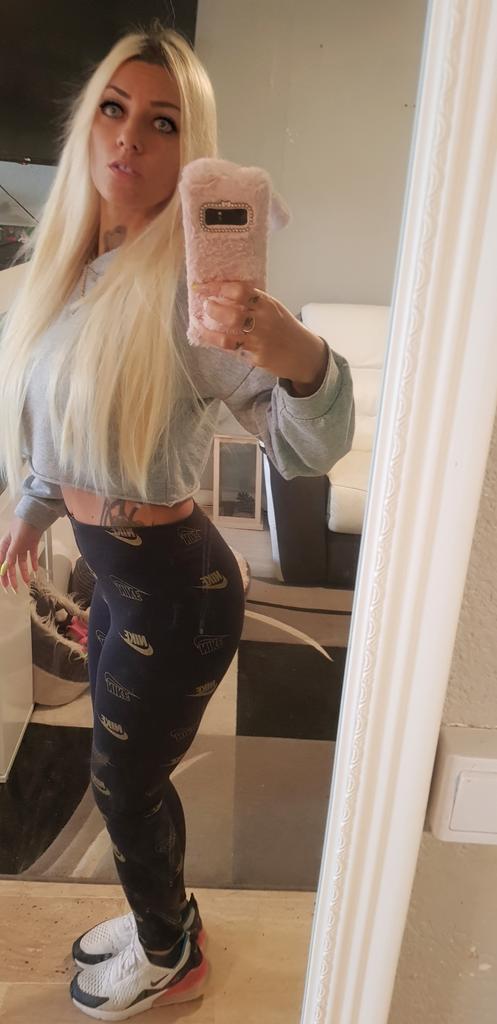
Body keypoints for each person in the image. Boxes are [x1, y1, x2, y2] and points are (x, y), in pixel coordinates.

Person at [0, 22, 355, 1022]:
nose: (129, 137)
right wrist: (31, 510)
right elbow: (62, 424)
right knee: (135, 775)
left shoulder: (191, 294)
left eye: (162, 123)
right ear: (86, 125)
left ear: (190, 150)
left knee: (122, 781)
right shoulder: (74, 269)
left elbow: (305, 450)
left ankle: (168, 958)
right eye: (113, 109)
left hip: (175, 585)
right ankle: (172, 921)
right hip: (117, 576)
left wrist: (298, 356)